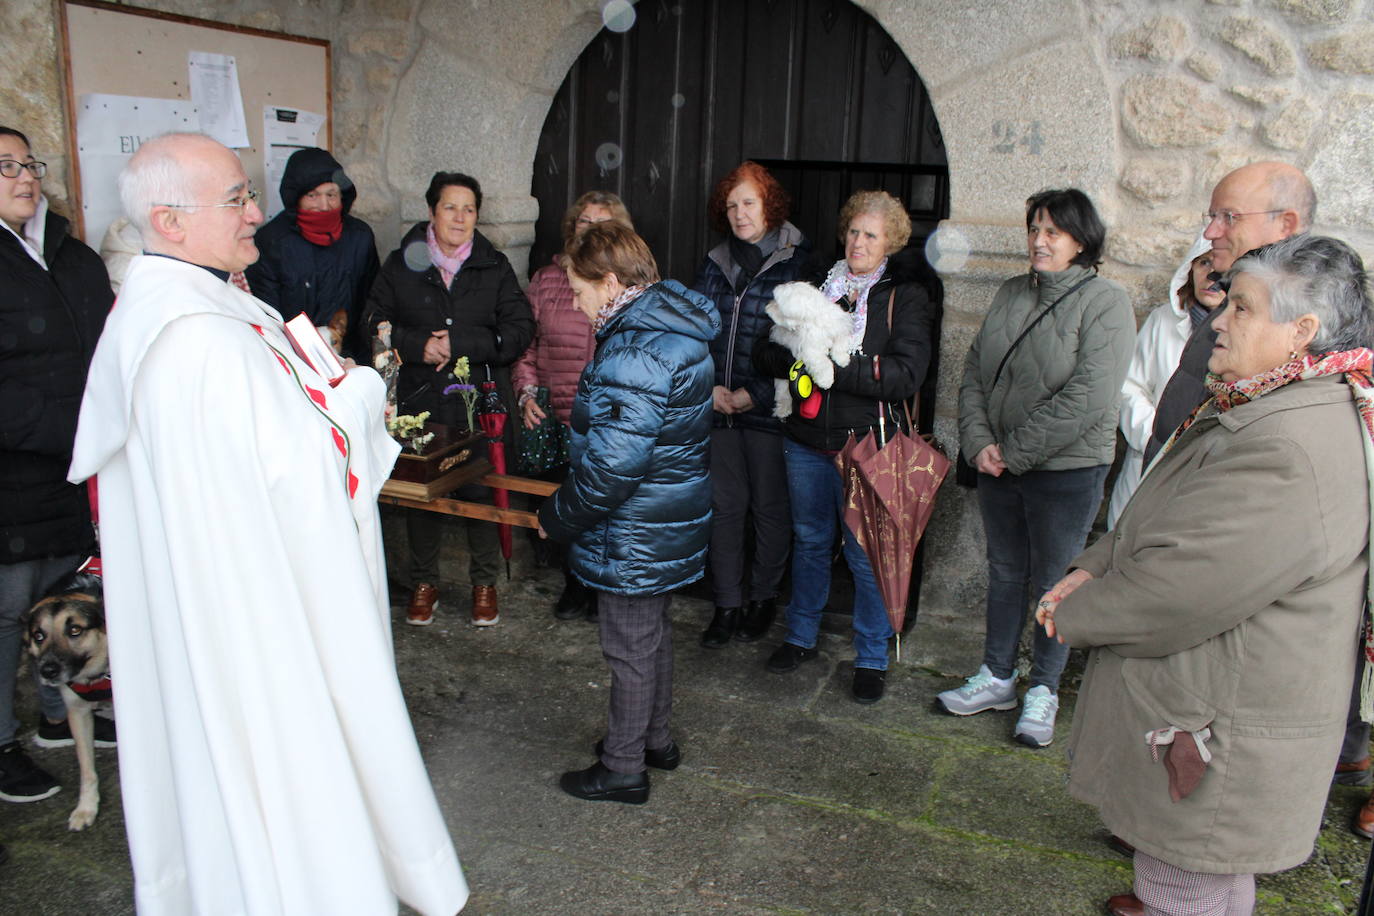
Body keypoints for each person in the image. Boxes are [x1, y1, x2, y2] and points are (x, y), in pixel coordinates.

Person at [67, 132, 467, 915]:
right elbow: (296, 476)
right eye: (235, 200)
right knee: (275, 780)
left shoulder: (206, 301)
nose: (257, 212)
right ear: (170, 221)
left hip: (241, 596)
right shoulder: (191, 341)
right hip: (252, 618)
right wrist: (354, 398)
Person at [1037, 234, 1374, 916]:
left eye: (1242, 307)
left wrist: (1068, 615)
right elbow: (1166, 510)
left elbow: (1180, 587)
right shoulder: (1270, 402)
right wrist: (1096, 564)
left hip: (1221, 725)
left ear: (1300, 330)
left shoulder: (1289, 445)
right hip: (1212, 707)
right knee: (1196, 878)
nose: (1218, 319)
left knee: (1188, 880)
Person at [940, 188, 1134, 747]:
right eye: (1034, 229)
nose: (1039, 240)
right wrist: (979, 443)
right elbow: (976, 371)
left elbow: (1090, 396)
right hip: (998, 463)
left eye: (1052, 231)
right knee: (1004, 571)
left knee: (1055, 581)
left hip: (1066, 470)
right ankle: (997, 675)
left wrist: (1013, 452)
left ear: (1081, 240)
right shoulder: (1009, 293)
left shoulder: (1105, 302)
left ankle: (1044, 689)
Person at [537, 222, 717, 804]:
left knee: (629, 646)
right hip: (664, 517)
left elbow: (612, 468)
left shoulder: (634, 349)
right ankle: (653, 740)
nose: (577, 303)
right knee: (652, 636)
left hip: (635, 526)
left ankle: (622, 767)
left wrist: (557, 518)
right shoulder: (668, 329)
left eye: (581, 291)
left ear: (611, 281)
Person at [753, 190, 938, 705]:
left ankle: (872, 657)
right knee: (810, 541)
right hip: (805, 441)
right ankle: (800, 636)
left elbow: (905, 374)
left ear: (891, 243)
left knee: (864, 556)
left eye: (871, 235)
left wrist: (833, 369)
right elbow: (763, 350)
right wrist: (797, 355)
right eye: (854, 231)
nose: (859, 242)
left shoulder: (905, 297)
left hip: (866, 447)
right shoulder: (811, 285)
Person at [365, 171, 534, 627]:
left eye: (469, 209)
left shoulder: (493, 266)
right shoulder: (402, 264)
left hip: (475, 398)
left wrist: (459, 341)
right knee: (424, 491)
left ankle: (484, 583)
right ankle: (425, 582)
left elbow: (519, 331)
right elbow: (374, 325)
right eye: (449, 207)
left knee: (480, 488)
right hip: (422, 399)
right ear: (431, 211)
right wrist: (420, 345)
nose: (460, 218)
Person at [0, 125, 113, 804]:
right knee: (8, 614)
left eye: (28, 163)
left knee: (66, 598)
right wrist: (66, 431)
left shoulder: (72, 255)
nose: (23, 176)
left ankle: (55, 715)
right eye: (4, 166)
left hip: (75, 475)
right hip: (12, 476)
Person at [693, 162, 809, 649]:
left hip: (768, 412)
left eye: (749, 203)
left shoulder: (798, 263)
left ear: (769, 206)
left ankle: (761, 599)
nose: (739, 213)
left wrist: (755, 392)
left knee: (769, 510)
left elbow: (802, 346)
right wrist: (709, 389)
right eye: (732, 205)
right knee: (724, 509)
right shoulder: (713, 262)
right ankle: (726, 604)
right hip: (718, 408)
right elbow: (696, 332)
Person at [1143, 161, 1314, 466]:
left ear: (1286, 225)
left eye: (1229, 217)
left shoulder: (1303, 331)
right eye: (1212, 216)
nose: (1210, 232)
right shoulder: (1227, 300)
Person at [512, 190, 632, 622]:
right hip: (558, 413)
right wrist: (526, 392)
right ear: (571, 228)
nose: (592, 231)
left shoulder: (624, 286)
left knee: (605, 507)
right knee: (562, 502)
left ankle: (602, 589)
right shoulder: (547, 280)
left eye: (602, 224)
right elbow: (526, 346)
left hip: (606, 419)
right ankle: (574, 584)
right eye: (585, 222)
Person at [1106, 235, 1225, 528]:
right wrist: (1155, 438)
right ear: (1190, 269)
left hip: (1206, 473)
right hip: (1148, 463)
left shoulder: (1241, 335)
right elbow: (1130, 386)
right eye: (1203, 263)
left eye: (1218, 265)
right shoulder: (1163, 321)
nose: (1210, 275)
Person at [245, 147, 379, 358]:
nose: (324, 205)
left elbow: (371, 301)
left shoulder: (359, 236)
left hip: (349, 356)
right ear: (296, 198)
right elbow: (266, 314)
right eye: (312, 195)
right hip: (293, 358)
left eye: (331, 194)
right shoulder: (271, 242)